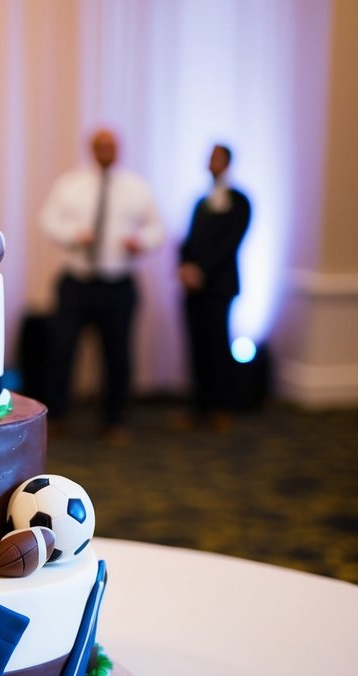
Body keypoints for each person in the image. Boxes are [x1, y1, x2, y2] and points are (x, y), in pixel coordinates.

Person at [39, 128, 164, 445]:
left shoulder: (136, 186)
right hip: (77, 281)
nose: (106, 151)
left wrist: (141, 240)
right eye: (100, 146)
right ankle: (57, 415)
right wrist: (72, 234)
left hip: (118, 282)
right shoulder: (71, 184)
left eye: (111, 146)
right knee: (62, 351)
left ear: (118, 149)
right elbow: (48, 219)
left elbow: (157, 227)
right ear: (92, 149)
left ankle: (114, 419)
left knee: (118, 355)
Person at [175, 144, 251, 432]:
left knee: (218, 345)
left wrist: (202, 270)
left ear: (228, 163)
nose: (212, 162)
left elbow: (230, 244)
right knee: (197, 347)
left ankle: (223, 406)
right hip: (194, 288)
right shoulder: (202, 201)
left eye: (217, 158)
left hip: (219, 287)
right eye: (210, 158)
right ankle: (199, 406)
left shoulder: (239, 201)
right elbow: (190, 240)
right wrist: (184, 266)